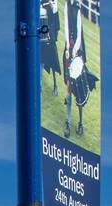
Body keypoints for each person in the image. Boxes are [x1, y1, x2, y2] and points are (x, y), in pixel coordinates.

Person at [65, 0, 100, 139]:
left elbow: (79, 32)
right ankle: (67, 122)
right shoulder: (68, 5)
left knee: (78, 88)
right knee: (68, 86)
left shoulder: (77, 7)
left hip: (78, 51)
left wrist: (74, 50)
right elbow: (67, 29)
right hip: (69, 50)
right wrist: (68, 47)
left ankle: (80, 122)